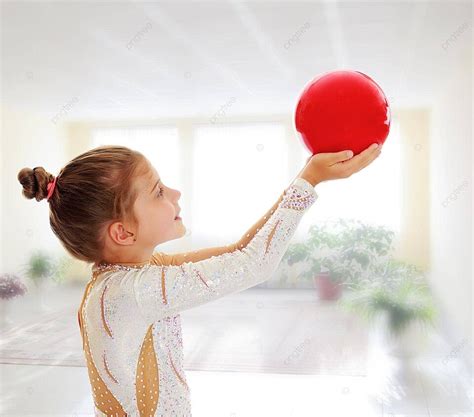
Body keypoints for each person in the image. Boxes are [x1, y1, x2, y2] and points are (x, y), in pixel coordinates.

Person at [17, 142, 381, 416]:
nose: (175, 194)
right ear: (123, 233)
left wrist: (305, 176)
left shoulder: (133, 274)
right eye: (158, 191)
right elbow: (254, 264)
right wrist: (310, 180)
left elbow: (241, 251)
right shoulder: (134, 292)